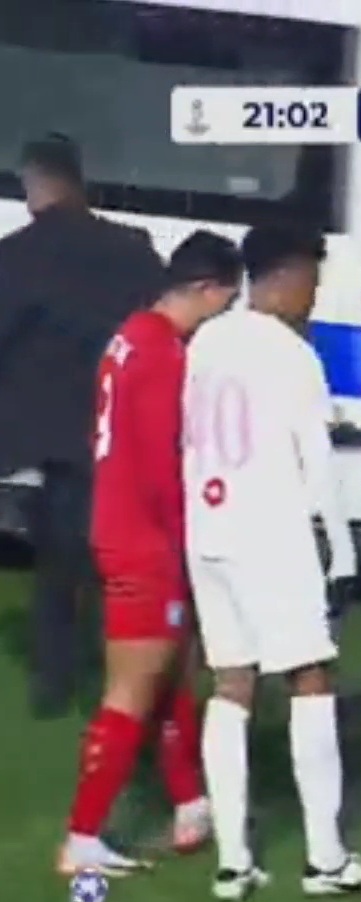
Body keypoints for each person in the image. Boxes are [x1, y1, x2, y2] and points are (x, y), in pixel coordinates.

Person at [184, 225, 361, 902]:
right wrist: (344, 553)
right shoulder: (293, 355)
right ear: (291, 273)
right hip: (268, 531)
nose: (315, 297)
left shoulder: (208, 339)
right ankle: (326, 860)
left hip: (207, 526)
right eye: (314, 281)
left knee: (231, 683)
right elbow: (318, 467)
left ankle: (233, 862)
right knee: (310, 676)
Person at [55, 231, 242, 876]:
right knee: (132, 692)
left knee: (169, 676)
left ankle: (191, 805)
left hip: (115, 524)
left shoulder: (129, 336)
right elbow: (164, 464)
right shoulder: (164, 354)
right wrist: (188, 538)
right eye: (226, 301)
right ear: (208, 289)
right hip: (145, 540)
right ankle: (82, 836)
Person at [0, 134, 166, 715]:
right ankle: (123, 674)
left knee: (59, 565)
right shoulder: (133, 249)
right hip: (124, 427)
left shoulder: (18, 255)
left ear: (36, 184)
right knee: (119, 564)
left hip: (54, 436)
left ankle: (54, 685)